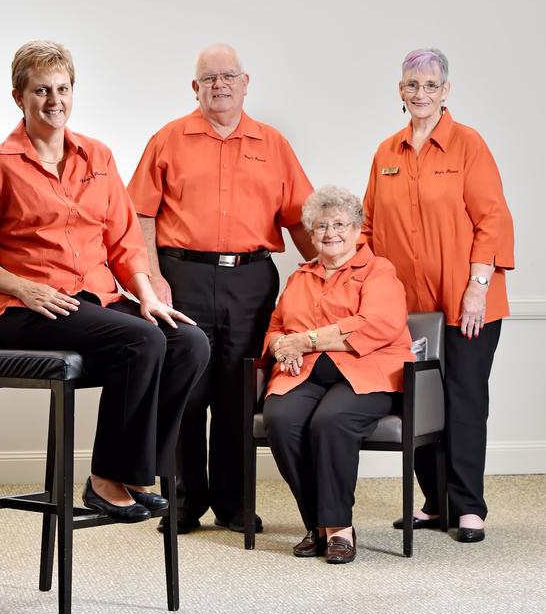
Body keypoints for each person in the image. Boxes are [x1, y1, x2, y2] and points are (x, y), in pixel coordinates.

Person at [0, 40, 209, 523]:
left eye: (63, 88)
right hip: (30, 311)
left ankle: (136, 473)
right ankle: (105, 479)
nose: (54, 100)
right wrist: (20, 287)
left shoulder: (98, 155)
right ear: (18, 97)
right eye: (41, 90)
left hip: (97, 300)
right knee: (140, 340)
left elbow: (125, 243)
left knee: (189, 341)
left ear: (74, 91)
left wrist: (149, 297)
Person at [127, 43, 315, 533]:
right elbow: (139, 214)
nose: (219, 85)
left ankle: (234, 503)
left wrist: (336, 272)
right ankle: (184, 501)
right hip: (180, 274)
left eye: (228, 76)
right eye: (209, 79)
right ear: (195, 87)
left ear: (245, 82)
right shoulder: (167, 139)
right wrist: (152, 277)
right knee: (185, 390)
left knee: (239, 392)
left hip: (251, 281)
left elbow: (301, 219)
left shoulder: (273, 144)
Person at [362, 48, 514, 543]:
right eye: (411, 85)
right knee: (419, 399)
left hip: (468, 302)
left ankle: (469, 507)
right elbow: (367, 226)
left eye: (430, 85)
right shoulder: (387, 152)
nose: (419, 94)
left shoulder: (469, 145)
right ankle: (434, 503)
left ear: (446, 91)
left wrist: (477, 287)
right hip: (408, 310)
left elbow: (493, 219)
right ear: (399, 91)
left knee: (465, 401)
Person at [262, 186, 411, 563]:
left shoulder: (379, 270)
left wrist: (306, 340)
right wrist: (281, 346)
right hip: (306, 375)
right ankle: (315, 524)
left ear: (358, 228)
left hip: (367, 373)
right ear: (310, 235)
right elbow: (276, 327)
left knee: (330, 421)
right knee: (280, 418)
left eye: (341, 224)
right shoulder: (300, 277)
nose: (331, 233)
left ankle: (339, 527)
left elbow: (378, 324)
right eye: (321, 226)